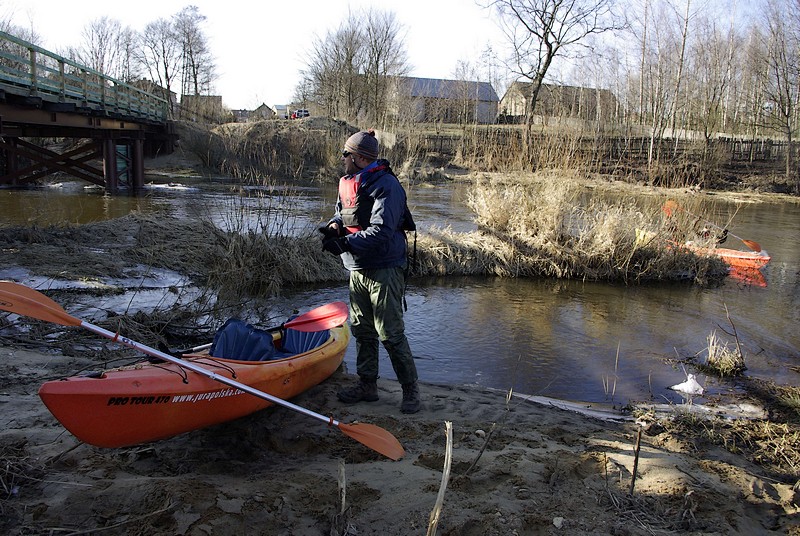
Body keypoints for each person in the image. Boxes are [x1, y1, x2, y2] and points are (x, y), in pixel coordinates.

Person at [319, 129, 420, 414]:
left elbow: (382, 231)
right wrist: (334, 227)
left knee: (390, 332)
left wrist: (344, 244)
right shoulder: (349, 181)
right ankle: (368, 385)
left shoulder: (387, 186)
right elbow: (342, 211)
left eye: (346, 154)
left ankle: (410, 390)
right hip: (357, 267)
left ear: (360, 158)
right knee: (362, 329)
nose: (342, 159)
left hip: (385, 267)